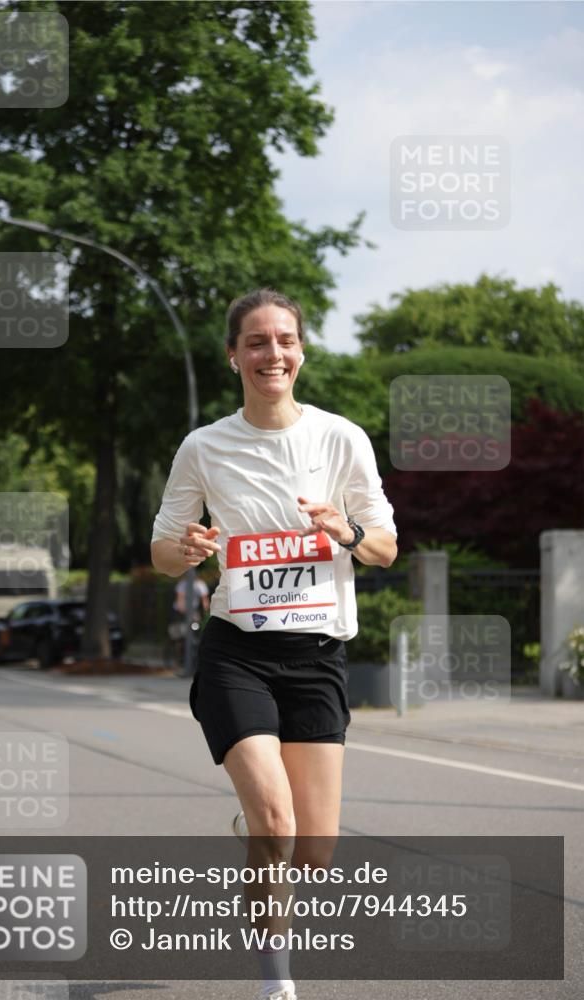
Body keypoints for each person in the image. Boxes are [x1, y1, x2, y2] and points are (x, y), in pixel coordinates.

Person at [151, 288, 398, 1000]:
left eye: (283, 340)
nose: (272, 354)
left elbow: (382, 546)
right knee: (278, 820)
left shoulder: (340, 438)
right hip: (238, 652)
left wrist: (343, 532)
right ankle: (276, 985)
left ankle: (260, 829)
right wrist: (188, 547)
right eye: (255, 342)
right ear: (233, 356)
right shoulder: (203, 447)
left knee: (313, 851)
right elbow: (163, 550)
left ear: (301, 350)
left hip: (317, 655)